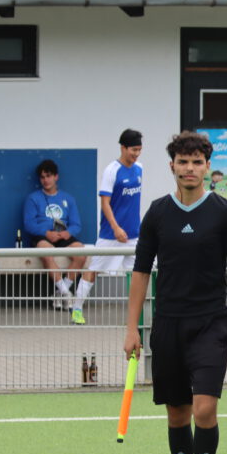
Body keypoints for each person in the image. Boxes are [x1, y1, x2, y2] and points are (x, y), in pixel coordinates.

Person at [123, 131, 227, 454]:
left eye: (197, 162)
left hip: (210, 324)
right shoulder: (158, 213)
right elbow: (140, 272)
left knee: (204, 408)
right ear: (172, 167)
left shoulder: (224, 213)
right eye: (183, 162)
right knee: (177, 414)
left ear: (208, 167)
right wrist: (132, 328)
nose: (190, 168)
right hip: (167, 325)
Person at [71, 129, 143, 325]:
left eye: (139, 150)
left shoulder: (139, 168)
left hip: (134, 235)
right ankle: (76, 308)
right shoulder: (112, 171)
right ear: (123, 148)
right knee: (94, 270)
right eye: (133, 150)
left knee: (138, 273)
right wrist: (116, 227)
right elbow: (105, 203)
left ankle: (138, 314)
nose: (136, 154)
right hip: (111, 235)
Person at [23, 159, 87, 309]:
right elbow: (29, 224)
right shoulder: (33, 198)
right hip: (43, 236)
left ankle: (59, 294)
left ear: (56, 177)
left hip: (62, 235)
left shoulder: (68, 198)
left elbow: (76, 224)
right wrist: (46, 233)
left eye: (49, 176)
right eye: (42, 177)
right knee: (46, 252)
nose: (46, 180)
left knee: (81, 254)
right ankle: (66, 294)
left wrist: (68, 233)